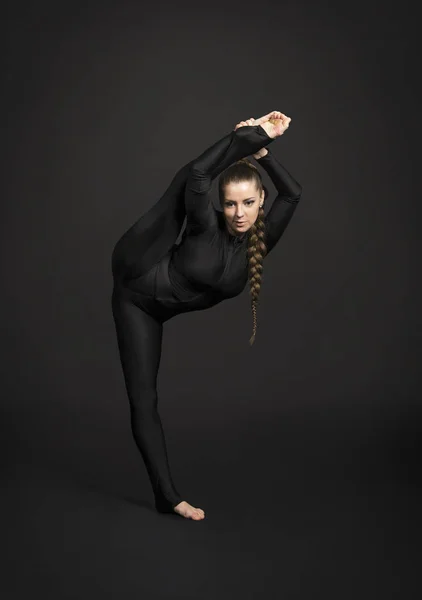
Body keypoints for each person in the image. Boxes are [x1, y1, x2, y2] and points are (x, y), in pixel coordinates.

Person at [111, 110, 302, 520]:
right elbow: (199, 174)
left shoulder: (262, 238)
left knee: (143, 400)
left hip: (141, 309)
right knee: (181, 187)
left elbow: (294, 194)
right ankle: (245, 135)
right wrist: (252, 136)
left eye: (248, 203)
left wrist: (264, 156)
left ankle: (167, 497)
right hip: (137, 264)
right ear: (220, 204)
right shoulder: (205, 224)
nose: (238, 213)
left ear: (260, 202)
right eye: (230, 203)